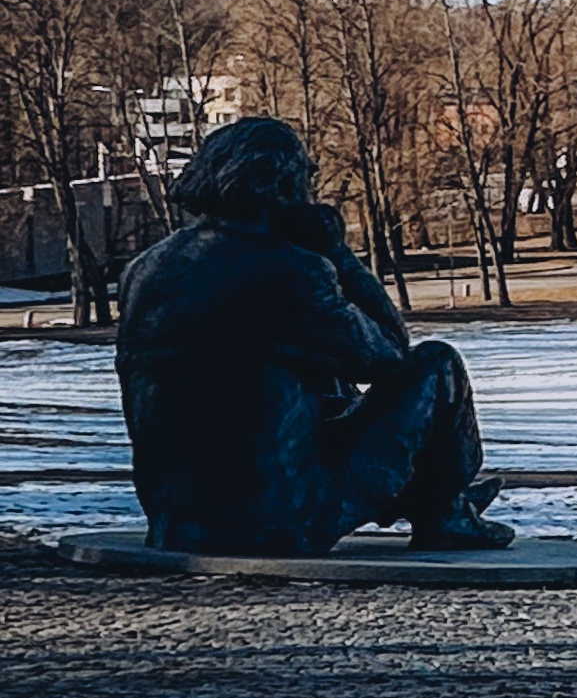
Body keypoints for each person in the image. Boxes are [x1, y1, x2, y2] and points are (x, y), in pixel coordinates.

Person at [116, 118, 510, 557]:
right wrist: (335, 252)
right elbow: (391, 355)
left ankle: (435, 500)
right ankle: (445, 513)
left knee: (325, 377)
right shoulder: (290, 270)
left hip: (176, 523)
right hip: (280, 521)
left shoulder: (144, 270)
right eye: (306, 176)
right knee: (436, 364)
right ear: (282, 185)